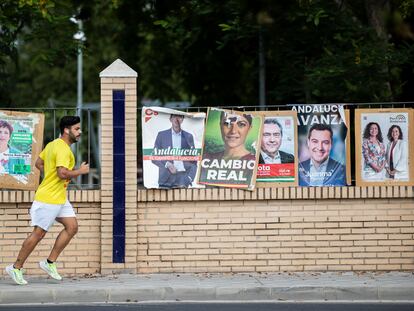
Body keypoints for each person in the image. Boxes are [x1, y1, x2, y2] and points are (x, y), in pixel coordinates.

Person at [5, 116, 89, 285]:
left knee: (72, 227)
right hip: (49, 198)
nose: (80, 132)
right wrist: (80, 171)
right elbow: (62, 173)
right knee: (39, 233)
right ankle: (16, 267)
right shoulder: (64, 150)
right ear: (67, 130)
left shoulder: (52, 144)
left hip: (59, 197)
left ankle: (49, 262)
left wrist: (50, 174)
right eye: (77, 129)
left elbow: (38, 163)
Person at [152, 114, 197, 188]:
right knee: (163, 199)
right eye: (174, 117)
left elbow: (194, 159)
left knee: (183, 199)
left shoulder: (189, 136)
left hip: (183, 178)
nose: (177, 119)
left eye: (179, 117)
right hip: (166, 178)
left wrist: (189, 178)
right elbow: (154, 156)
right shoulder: (162, 135)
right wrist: (167, 164)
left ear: (182, 120)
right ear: (170, 119)